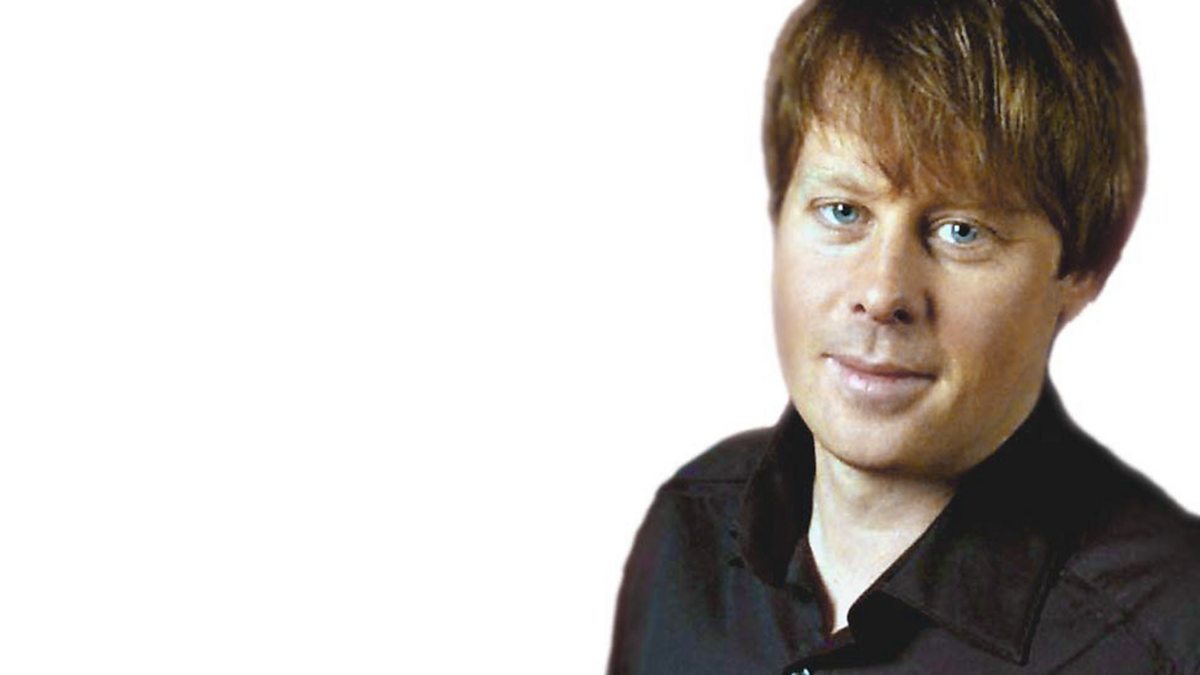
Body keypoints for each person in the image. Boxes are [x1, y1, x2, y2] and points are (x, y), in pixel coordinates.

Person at [607, 1, 1200, 672]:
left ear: (1081, 271)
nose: (883, 292)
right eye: (843, 211)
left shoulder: (1169, 638)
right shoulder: (687, 535)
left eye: (961, 231)